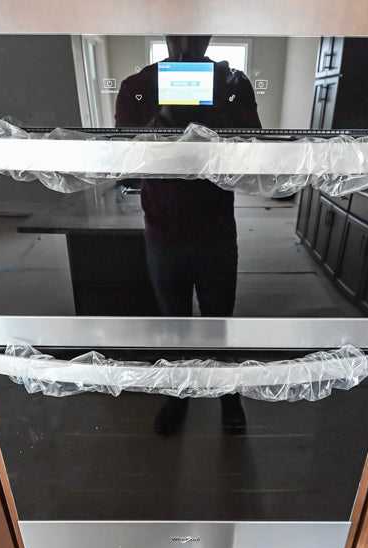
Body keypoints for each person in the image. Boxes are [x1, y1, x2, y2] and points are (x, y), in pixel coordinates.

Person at [116, 35, 261, 436]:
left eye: (196, 33)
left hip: (215, 227)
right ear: (165, 31)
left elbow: (254, 149)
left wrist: (218, 114)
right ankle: (177, 392)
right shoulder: (139, 87)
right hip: (163, 229)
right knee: (174, 320)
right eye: (178, 32)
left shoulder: (232, 84)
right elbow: (126, 162)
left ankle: (228, 394)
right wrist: (163, 117)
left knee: (219, 319)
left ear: (209, 34)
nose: (186, 43)